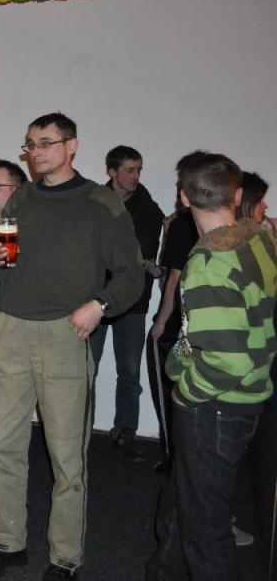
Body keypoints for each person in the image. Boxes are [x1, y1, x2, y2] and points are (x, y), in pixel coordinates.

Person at [0, 112, 143, 580]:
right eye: (31, 144)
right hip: (10, 329)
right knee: (3, 448)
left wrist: (100, 305)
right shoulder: (21, 198)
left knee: (66, 457)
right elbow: (9, 263)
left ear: (72, 146)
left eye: (46, 142)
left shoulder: (100, 202)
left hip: (66, 332)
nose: (37, 152)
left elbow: (131, 275)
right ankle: (6, 542)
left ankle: (65, 557)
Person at [145, 153, 277, 580]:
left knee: (205, 531)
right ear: (237, 195)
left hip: (216, 407)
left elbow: (227, 362)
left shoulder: (210, 262)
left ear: (184, 198)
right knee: (181, 505)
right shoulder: (258, 237)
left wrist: (186, 393)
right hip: (247, 398)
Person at [87, 146, 164, 462]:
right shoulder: (93, 202)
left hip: (133, 301)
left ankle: (125, 432)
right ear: (111, 172)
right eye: (130, 170)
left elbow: (142, 256)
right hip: (94, 299)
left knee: (129, 371)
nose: (136, 176)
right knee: (85, 370)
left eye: (139, 169)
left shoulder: (149, 209)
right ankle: (80, 431)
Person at [147, 151, 208, 473]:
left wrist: (160, 322)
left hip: (175, 326)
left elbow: (175, 277)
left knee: (170, 393)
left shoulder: (184, 224)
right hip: (196, 325)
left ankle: (174, 460)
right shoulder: (207, 226)